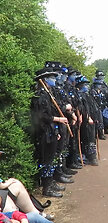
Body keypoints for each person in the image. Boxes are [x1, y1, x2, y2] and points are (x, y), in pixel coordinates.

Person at [31, 67, 69, 198]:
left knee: (52, 158)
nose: (53, 79)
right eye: (51, 77)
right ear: (44, 80)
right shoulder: (39, 95)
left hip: (51, 131)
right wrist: (58, 119)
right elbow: (41, 116)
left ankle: (51, 182)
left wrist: (56, 129)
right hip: (43, 133)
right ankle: (46, 188)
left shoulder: (48, 94)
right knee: (46, 159)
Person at [76, 76, 99, 166]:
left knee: (91, 138)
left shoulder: (87, 95)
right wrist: (88, 117)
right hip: (85, 122)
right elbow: (82, 109)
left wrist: (96, 118)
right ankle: (90, 157)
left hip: (92, 120)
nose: (87, 86)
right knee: (87, 138)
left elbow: (93, 107)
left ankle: (92, 156)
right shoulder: (79, 96)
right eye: (85, 84)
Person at [91, 70, 108, 139]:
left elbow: (107, 93)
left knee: (102, 119)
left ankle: (102, 131)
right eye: (98, 84)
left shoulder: (104, 85)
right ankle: (99, 134)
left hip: (103, 105)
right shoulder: (93, 90)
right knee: (98, 120)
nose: (100, 86)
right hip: (96, 107)